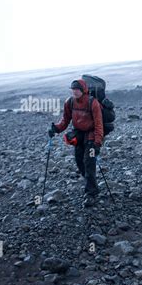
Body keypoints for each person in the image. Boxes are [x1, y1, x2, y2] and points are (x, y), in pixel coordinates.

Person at [48, 79, 104, 207]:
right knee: (79, 162)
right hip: (78, 135)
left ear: (83, 90)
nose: (74, 91)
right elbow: (65, 120)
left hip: (91, 136)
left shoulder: (92, 103)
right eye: (73, 89)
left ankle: (91, 193)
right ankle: (91, 183)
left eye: (77, 89)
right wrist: (56, 128)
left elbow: (99, 125)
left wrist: (97, 143)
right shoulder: (70, 102)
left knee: (89, 162)